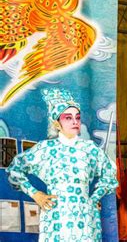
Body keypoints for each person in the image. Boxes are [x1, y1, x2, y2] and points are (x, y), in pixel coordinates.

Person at [6, 88, 118, 242]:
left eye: (77, 117)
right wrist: (35, 194)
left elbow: (109, 173)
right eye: (68, 118)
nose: (74, 121)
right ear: (56, 123)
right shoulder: (45, 149)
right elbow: (15, 169)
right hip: (55, 219)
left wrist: (93, 199)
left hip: (85, 220)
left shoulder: (90, 149)